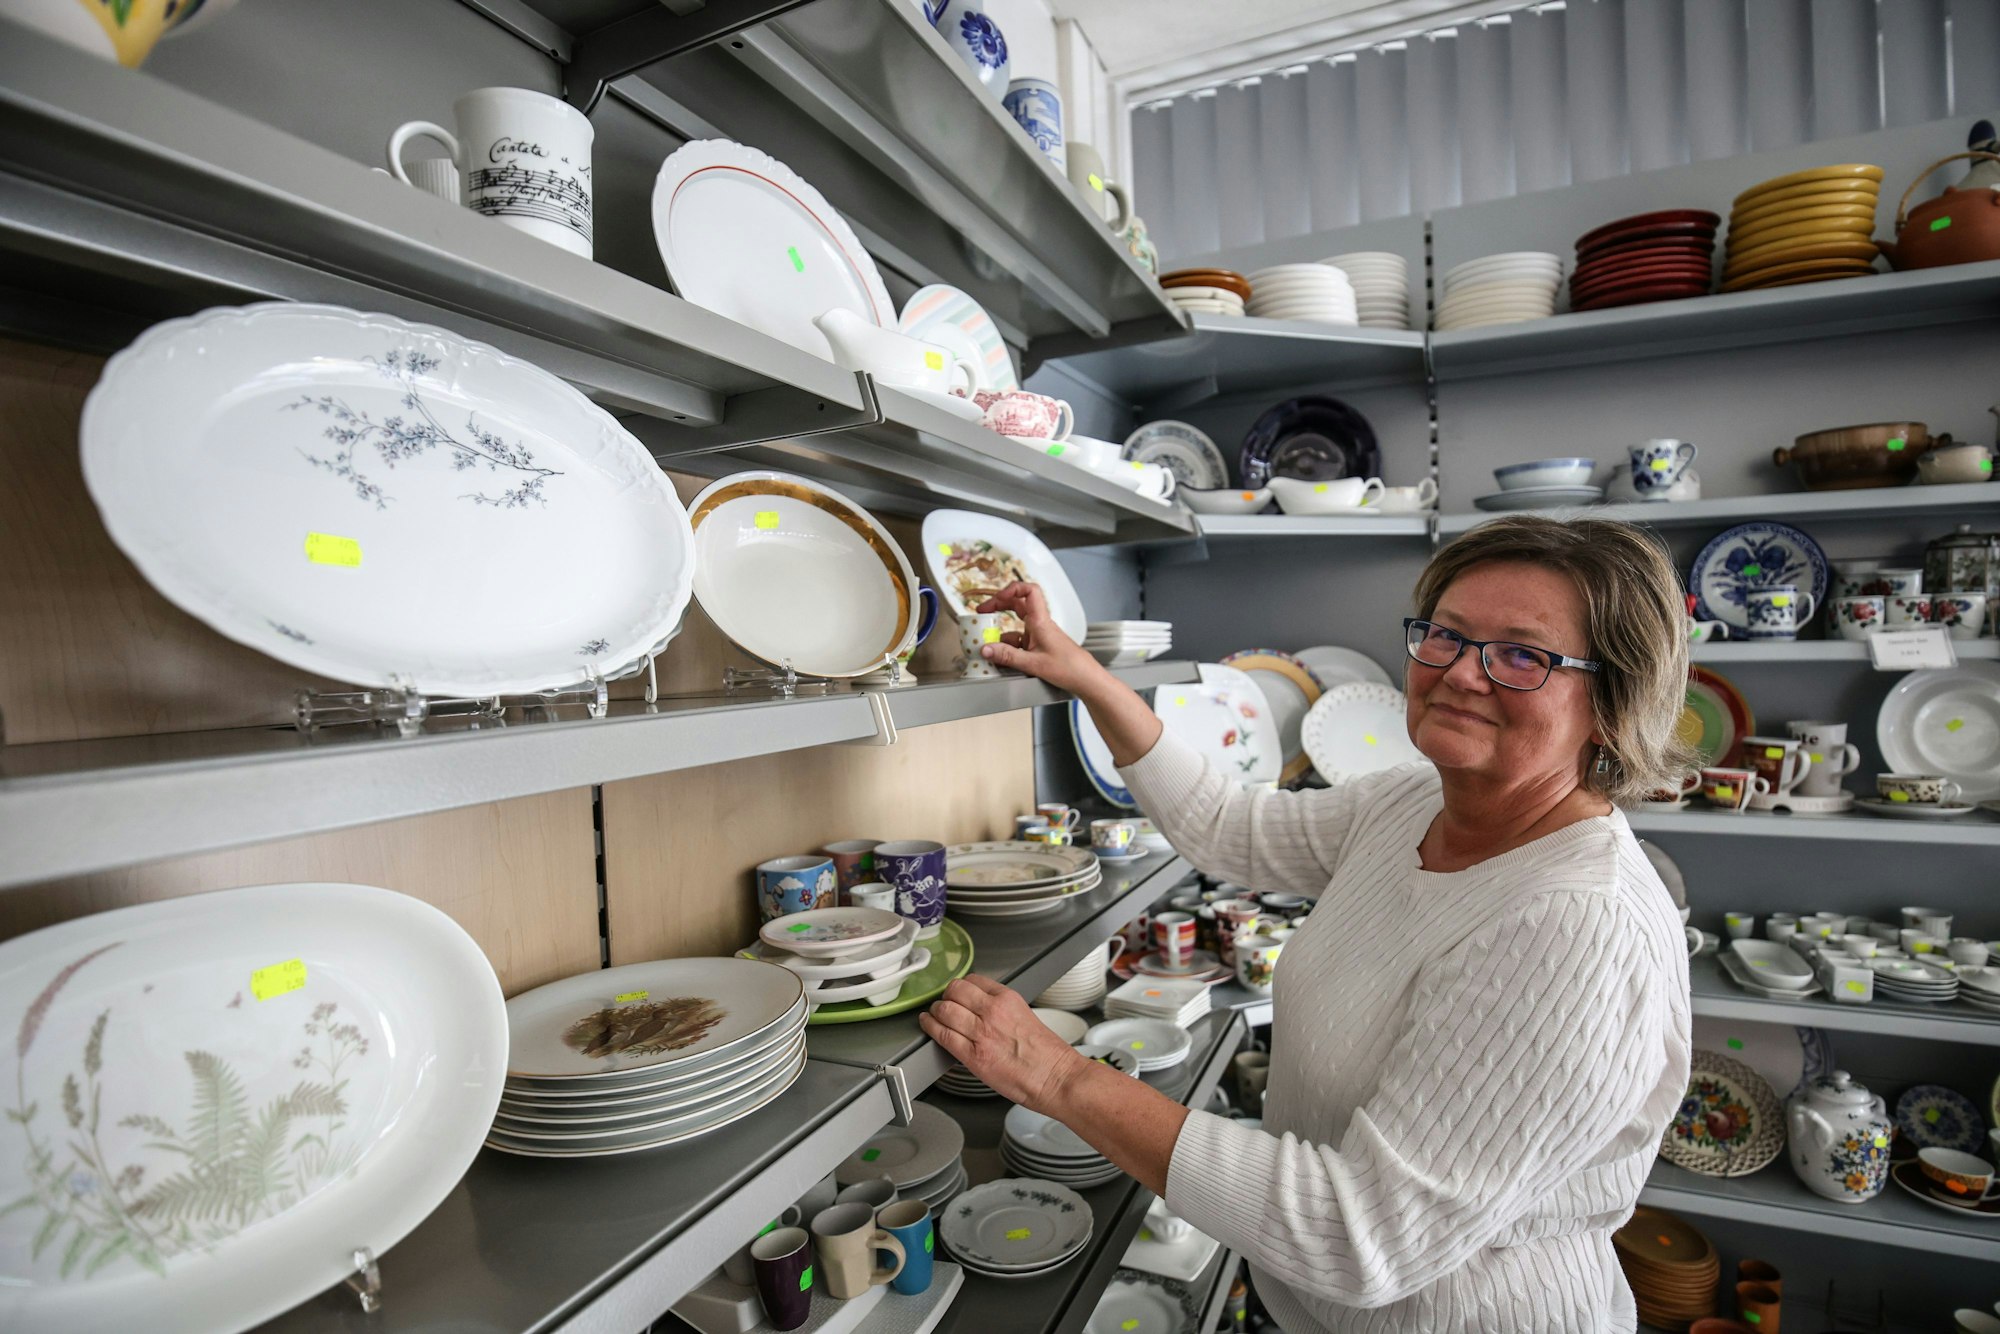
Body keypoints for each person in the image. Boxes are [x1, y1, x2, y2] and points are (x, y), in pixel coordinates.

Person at [920, 516, 1694, 1333]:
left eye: (1523, 655)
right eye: (1446, 635)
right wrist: (1088, 677)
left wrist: (1058, 1077)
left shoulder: (1577, 925)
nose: (1462, 673)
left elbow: (1361, 1235)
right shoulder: (1411, 803)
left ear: (1614, 701)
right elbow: (1227, 824)